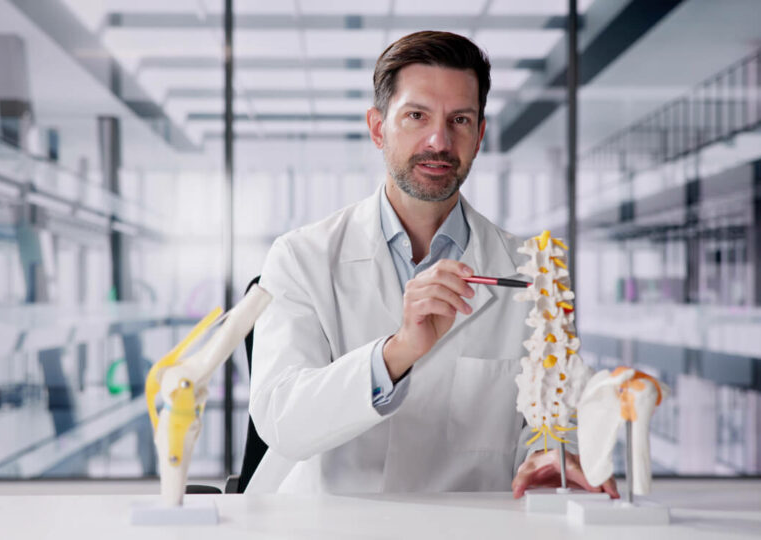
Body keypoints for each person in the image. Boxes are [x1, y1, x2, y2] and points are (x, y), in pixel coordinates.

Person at [248, 30, 617, 498]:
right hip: (333, 522)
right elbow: (281, 421)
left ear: (479, 136)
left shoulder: (531, 275)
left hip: (469, 523)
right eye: (416, 116)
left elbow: (551, 416)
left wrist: (550, 454)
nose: (439, 141)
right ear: (378, 127)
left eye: (460, 120)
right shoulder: (301, 257)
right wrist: (396, 352)